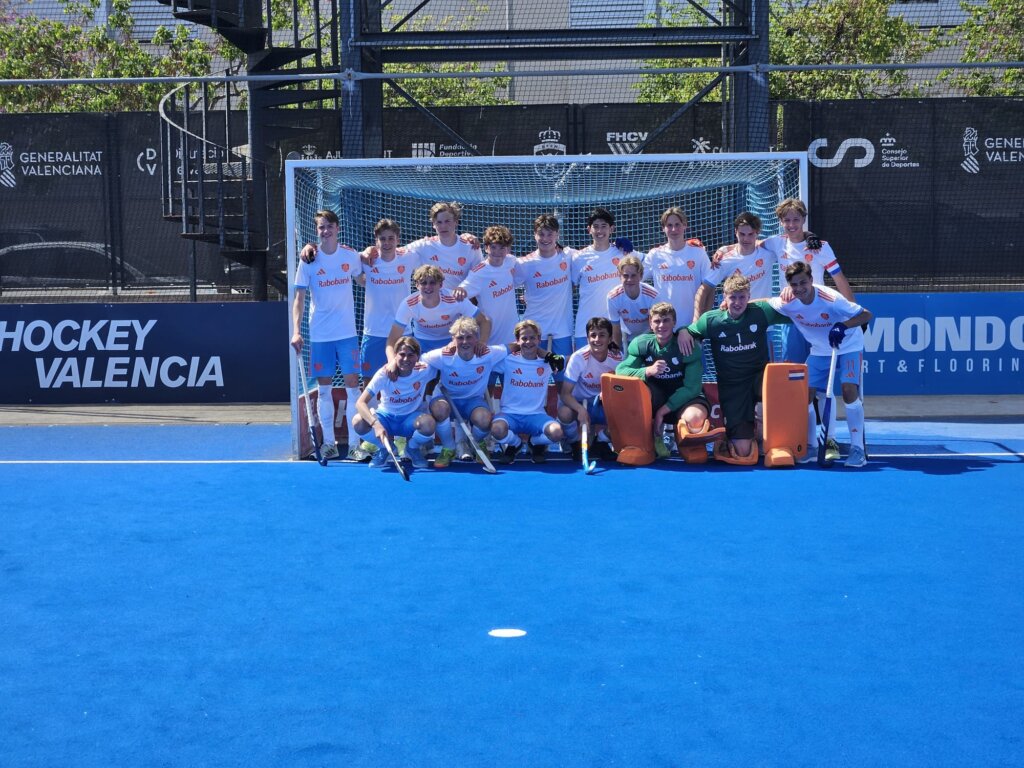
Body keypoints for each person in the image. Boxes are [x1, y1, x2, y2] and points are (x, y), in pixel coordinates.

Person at [768, 261, 873, 467]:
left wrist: (842, 325)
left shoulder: (831, 299)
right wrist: (730, 302)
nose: (799, 288)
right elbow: (764, 302)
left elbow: (866, 314)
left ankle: (857, 448)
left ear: (811, 280)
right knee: (804, 395)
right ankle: (812, 445)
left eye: (803, 283)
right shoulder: (788, 301)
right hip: (820, 350)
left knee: (848, 390)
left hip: (849, 345)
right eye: (794, 284)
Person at [685, 275, 791, 463]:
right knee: (743, 452)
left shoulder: (761, 312)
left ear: (749, 297)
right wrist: (682, 333)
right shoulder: (711, 320)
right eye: (732, 297)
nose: (737, 302)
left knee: (773, 404)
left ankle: (766, 436)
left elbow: (798, 313)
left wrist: (791, 295)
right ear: (724, 298)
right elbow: (690, 332)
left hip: (759, 379)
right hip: (733, 387)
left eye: (742, 297)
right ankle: (732, 438)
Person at [290, 209, 363, 461]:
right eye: (321, 227)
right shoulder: (309, 260)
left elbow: (363, 278)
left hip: (347, 334)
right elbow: (299, 299)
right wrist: (296, 331)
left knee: (353, 389)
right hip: (320, 335)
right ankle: (329, 444)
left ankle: (354, 445)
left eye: (330, 226)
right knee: (324, 391)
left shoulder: (350, 256)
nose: (326, 231)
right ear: (317, 230)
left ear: (337, 228)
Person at [760, 198, 856, 363]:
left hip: (819, 315)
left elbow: (839, 279)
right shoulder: (776, 242)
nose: (791, 224)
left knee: (822, 366)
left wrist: (853, 312)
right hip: (791, 315)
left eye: (796, 219)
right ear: (781, 221)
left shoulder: (820, 247)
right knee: (793, 367)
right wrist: (726, 249)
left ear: (804, 219)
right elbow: (751, 244)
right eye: (787, 220)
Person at [615, 302, 709, 460]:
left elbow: (692, 388)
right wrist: (647, 371)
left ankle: (687, 442)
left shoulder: (687, 345)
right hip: (655, 399)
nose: (661, 325)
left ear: (674, 322)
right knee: (632, 393)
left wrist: (662, 411)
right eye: (657, 321)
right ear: (650, 323)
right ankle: (643, 443)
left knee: (694, 417)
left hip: (685, 400)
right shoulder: (642, 344)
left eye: (666, 320)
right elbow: (621, 371)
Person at [421, 316, 509, 468]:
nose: (465, 342)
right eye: (460, 338)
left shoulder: (487, 353)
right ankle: (449, 448)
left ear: (477, 338)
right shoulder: (443, 355)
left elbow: (514, 346)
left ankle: (477, 443)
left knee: (484, 419)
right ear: (453, 339)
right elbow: (421, 358)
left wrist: (544, 353)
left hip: (473, 401)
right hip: (447, 399)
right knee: (440, 409)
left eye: (469, 337)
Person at [351, 336, 437, 469]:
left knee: (429, 423)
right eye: (402, 354)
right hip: (386, 419)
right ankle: (385, 448)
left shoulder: (425, 370)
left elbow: (444, 364)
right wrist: (376, 425)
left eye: (411, 355)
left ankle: (412, 449)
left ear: (417, 357)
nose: (406, 359)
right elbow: (360, 403)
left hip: (409, 420)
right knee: (358, 421)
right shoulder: (383, 374)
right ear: (395, 355)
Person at [490, 319, 566, 464]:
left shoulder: (548, 362)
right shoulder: (507, 360)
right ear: (517, 340)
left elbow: (568, 360)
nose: (528, 342)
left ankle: (535, 443)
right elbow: (486, 359)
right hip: (510, 414)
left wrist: (549, 355)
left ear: (539, 339)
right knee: (496, 430)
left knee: (557, 433)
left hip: (536, 414)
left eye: (532, 338)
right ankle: (515, 444)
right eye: (524, 338)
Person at [386, 264, 490, 363]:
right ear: (417, 285)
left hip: (451, 343)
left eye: (432, 283)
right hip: (423, 343)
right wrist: (391, 361)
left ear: (440, 285)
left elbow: (485, 321)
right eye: (423, 283)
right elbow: (392, 339)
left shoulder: (454, 299)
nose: (428, 286)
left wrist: (482, 342)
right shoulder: (409, 304)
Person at [513, 214, 575, 380]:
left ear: (557, 235)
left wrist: (617, 246)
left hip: (562, 329)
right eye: (541, 234)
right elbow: (502, 280)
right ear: (535, 235)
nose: (545, 239)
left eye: (550, 234)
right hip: (534, 330)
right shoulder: (524, 263)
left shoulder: (568, 256)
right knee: (532, 378)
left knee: (563, 378)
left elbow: (593, 253)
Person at [557, 316, 622, 461]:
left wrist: (609, 395)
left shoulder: (618, 359)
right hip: (579, 404)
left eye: (602, 335)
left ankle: (601, 441)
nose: (597, 339)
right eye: (593, 335)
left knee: (627, 414)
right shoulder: (578, 358)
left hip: (603, 405)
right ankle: (574, 443)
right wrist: (580, 410)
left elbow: (622, 390)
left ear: (610, 339)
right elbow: (565, 394)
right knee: (564, 413)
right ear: (587, 338)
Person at [360, 219, 416, 379]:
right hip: (374, 331)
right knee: (369, 380)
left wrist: (467, 238)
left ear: (398, 239)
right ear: (376, 241)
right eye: (382, 239)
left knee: (404, 379)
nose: (387, 243)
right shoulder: (366, 260)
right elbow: (341, 257)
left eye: (391, 238)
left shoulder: (409, 257)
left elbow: (433, 244)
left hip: (403, 331)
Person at [571, 207, 633, 349]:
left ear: (612, 229)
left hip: (614, 328)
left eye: (604, 226)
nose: (600, 231)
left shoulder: (622, 252)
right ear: (589, 229)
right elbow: (568, 286)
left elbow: (649, 263)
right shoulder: (578, 257)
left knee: (615, 363)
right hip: (585, 327)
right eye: (596, 226)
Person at [694, 211, 777, 318]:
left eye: (750, 234)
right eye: (742, 234)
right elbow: (704, 289)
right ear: (735, 232)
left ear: (757, 233)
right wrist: (697, 320)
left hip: (764, 318)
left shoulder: (768, 253)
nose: (746, 239)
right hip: (736, 321)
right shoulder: (724, 260)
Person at [642, 207, 710, 333]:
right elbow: (635, 278)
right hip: (663, 328)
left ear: (685, 225)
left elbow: (710, 286)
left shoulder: (698, 252)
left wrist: (701, 320)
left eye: (677, 224)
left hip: (692, 326)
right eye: (669, 225)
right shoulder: (655, 255)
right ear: (663, 228)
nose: (674, 229)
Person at [453, 225, 519, 345]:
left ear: (508, 249)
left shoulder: (511, 261)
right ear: (486, 248)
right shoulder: (478, 273)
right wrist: (460, 290)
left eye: (502, 248)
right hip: (490, 339)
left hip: (512, 337)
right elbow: (462, 289)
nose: (497, 252)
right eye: (493, 247)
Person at [402, 201, 481, 287]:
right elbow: (397, 254)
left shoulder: (470, 246)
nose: (443, 226)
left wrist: (464, 291)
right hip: (432, 295)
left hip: (460, 295)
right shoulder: (424, 245)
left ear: (456, 222)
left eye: (447, 221)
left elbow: (479, 276)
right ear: (433, 224)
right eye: (439, 222)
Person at [606, 255, 660, 350]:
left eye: (633, 275)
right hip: (626, 335)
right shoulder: (612, 297)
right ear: (619, 276)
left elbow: (657, 326)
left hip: (648, 335)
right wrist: (617, 352)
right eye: (625, 276)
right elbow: (616, 328)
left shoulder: (652, 295)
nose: (629, 280)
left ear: (641, 276)